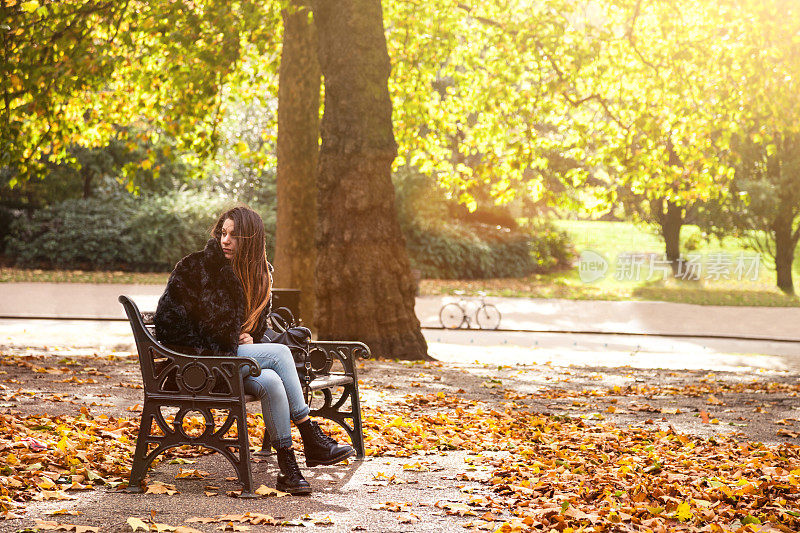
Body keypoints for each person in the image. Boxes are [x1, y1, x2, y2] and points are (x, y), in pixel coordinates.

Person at [153, 205, 354, 495]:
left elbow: (255, 328)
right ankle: (310, 437)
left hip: (230, 363)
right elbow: (168, 325)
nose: (225, 240)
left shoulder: (258, 276)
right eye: (223, 233)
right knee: (280, 354)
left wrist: (249, 337)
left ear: (250, 240)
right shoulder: (196, 268)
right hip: (196, 366)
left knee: (271, 381)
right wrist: (224, 339)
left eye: (234, 236)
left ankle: (288, 468)